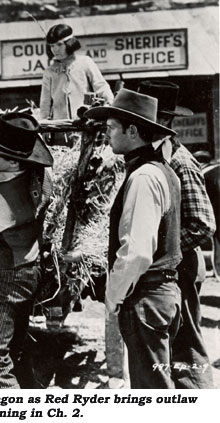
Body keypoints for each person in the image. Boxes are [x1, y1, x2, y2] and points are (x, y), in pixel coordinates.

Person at [85, 89, 182, 388]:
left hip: (146, 297)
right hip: (160, 294)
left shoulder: (143, 177)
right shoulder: (162, 171)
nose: (107, 134)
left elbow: (137, 252)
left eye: (112, 128)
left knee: (152, 391)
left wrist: (113, 295)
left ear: (134, 130)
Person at [0, 112, 54, 388]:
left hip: (5, 274)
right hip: (32, 266)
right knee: (12, 347)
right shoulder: (42, 176)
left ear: (14, 160)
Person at [138, 80, 216, 388]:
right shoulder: (158, 158)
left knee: (187, 351)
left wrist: (166, 250)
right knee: (173, 352)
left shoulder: (180, 161)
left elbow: (202, 223)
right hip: (174, 267)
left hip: (180, 269)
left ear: (164, 122)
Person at [39, 24, 113, 121]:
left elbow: (101, 87)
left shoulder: (85, 62)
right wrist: (44, 124)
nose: (55, 49)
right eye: (52, 45)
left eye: (59, 44)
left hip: (85, 124)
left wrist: (109, 104)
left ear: (70, 43)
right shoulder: (49, 72)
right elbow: (45, 103)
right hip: (60, 127)